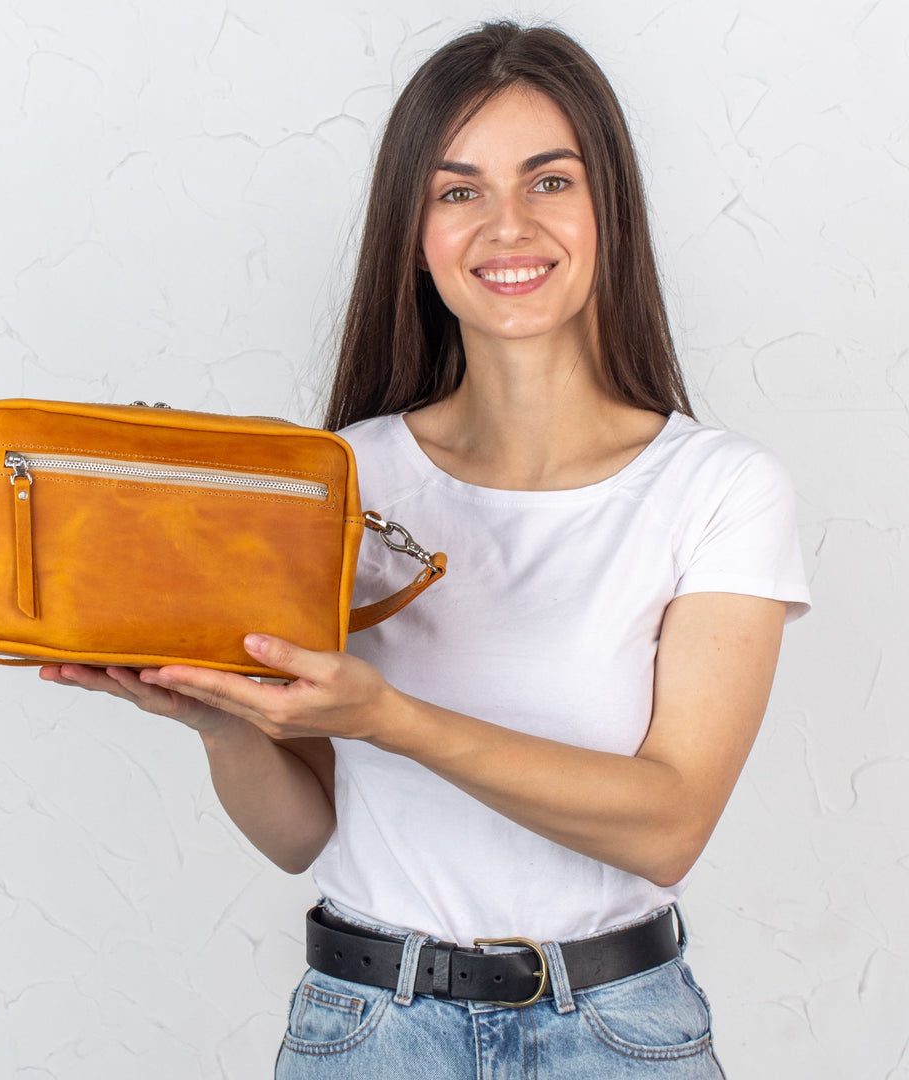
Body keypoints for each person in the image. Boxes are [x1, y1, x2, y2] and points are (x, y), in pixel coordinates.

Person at [41, 21, 810, 1078]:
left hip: (618, 1038)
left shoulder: (717, 487)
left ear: (611, 212)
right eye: (458, 191)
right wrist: (221, 721)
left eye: (550, 181)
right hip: (370, 1030)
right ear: (414, 233)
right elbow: (302, 835)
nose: (507, 226)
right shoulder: (340, 478)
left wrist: (389, 717)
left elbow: (668, 825)